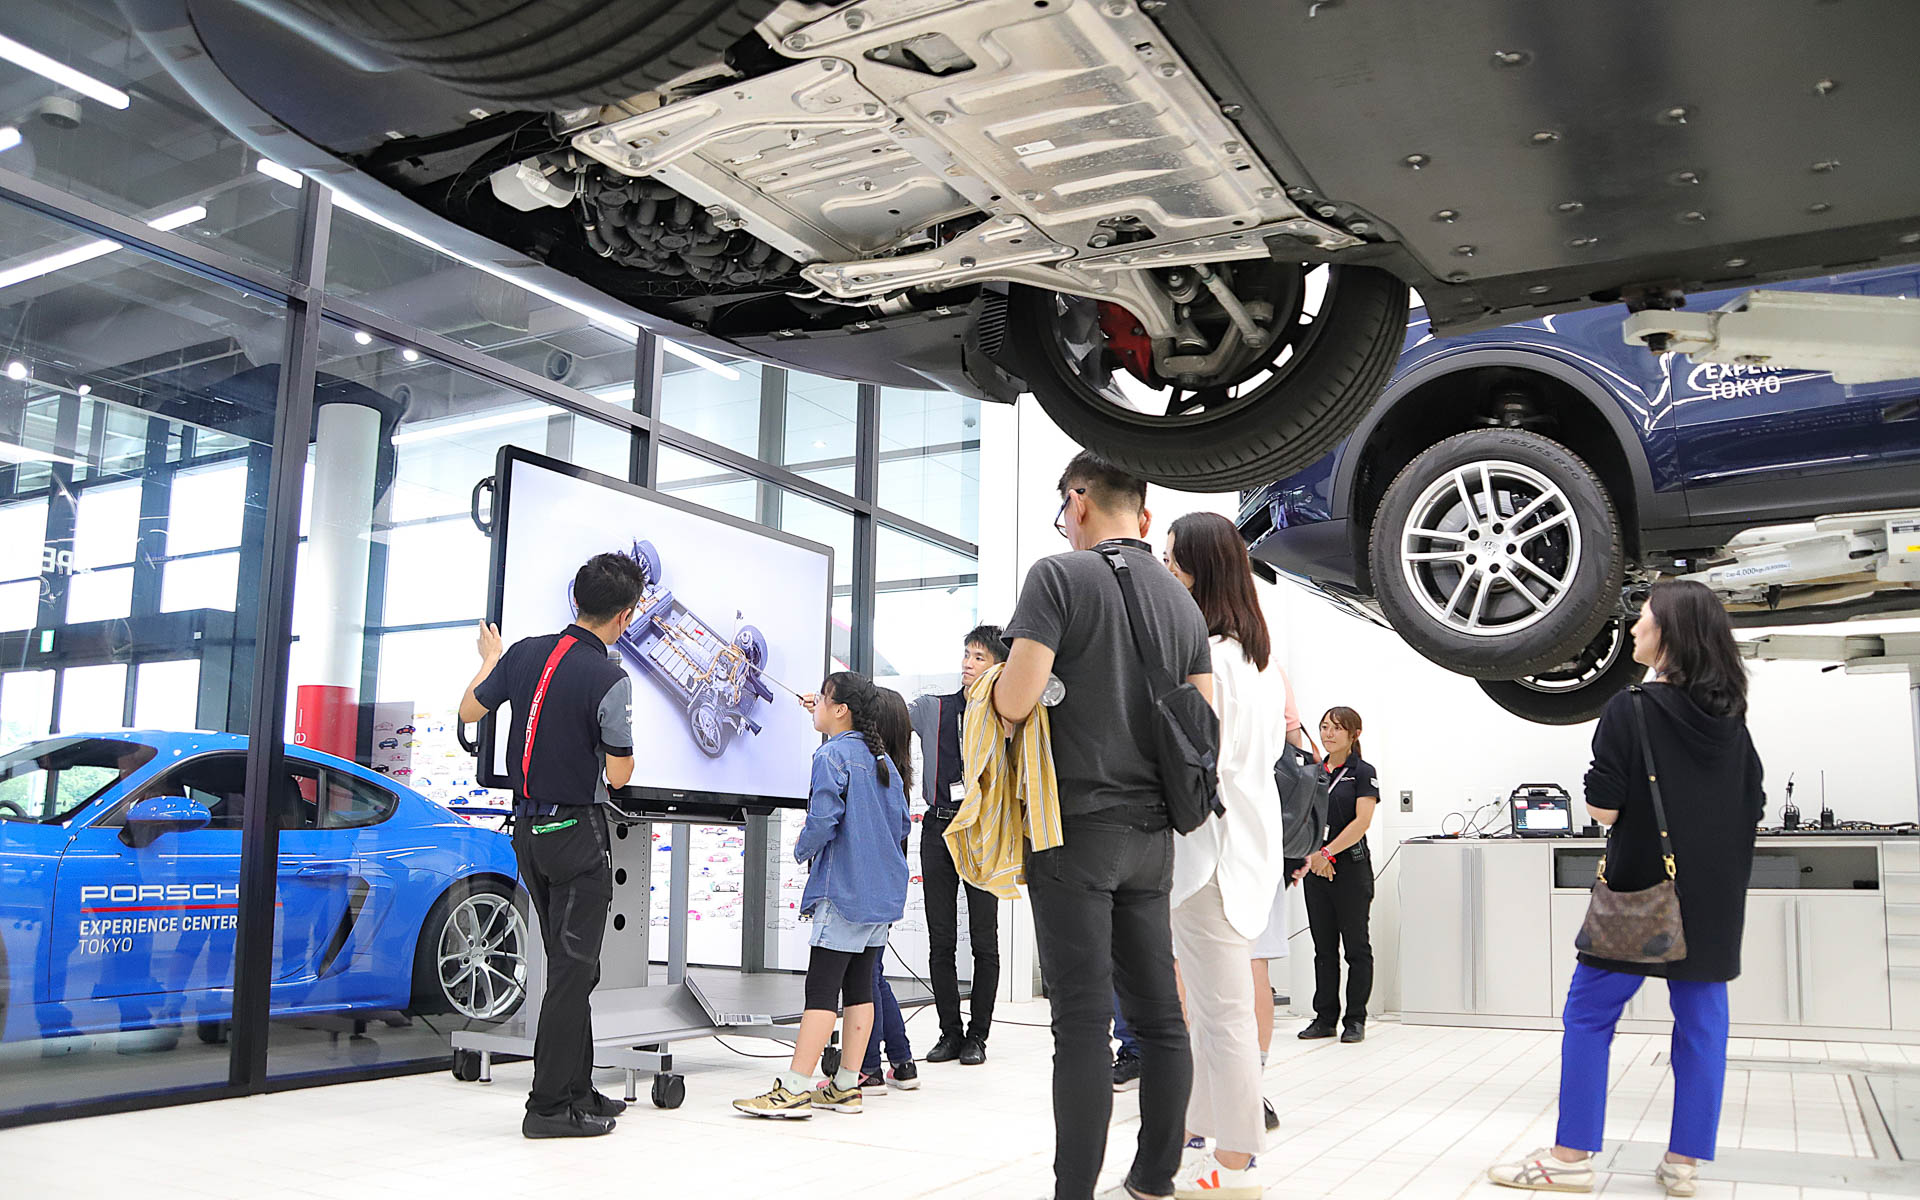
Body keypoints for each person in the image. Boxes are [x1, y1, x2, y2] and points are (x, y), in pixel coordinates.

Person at [1490, 581, 1764, 1197]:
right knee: (1701, 1025)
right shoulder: (1731, 717)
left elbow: (1604, 807)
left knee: (1588, 1015)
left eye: (1642, 619)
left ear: (1667, 633)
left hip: (1642, 891)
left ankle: (1569, 1157)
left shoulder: (1631, 707)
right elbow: (1753, 801)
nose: (1635, 629)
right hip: (1716, 899)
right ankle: (1684, 1164)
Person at [995, 451, 1210, 1200]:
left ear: (1079, 502)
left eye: (1064, 509)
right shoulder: (1184, 603)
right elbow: (1202, 718)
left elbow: (1016, 701)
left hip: (1075, 829)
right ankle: (1154, 1178)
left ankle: (1073, 1193)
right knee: (1160, 1018)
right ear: (1142, 514)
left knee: (1082, 1023)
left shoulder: (1059, 576)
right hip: (1154, 839)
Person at [459, 552, 646, 1139]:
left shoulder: (522, 653)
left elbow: (469, 709)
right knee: (572, 972)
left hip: (528, 836)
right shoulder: (610, 678)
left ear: (575, 599)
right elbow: (619, 775)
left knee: (573, 969)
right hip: (577, 836)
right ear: (624, 615)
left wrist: (490, 659)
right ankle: (546, 1109)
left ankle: (578, 1089)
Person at [1160, 512, 1291, 1199]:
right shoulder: (1258, 658)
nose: (1169, 576)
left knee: (1222, 1014)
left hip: (1211, 853)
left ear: (1202, 574)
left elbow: (1198, 759)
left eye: (1175, 565)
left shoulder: (1211, 657)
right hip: (1243, 844)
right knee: (1217, 1009)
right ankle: (1210, 1136)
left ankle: (1237, 1162)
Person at [734, 672, 910, 1119]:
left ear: (840, 710)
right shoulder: (881, 759)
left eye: (823, 699)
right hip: (881, 894)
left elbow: (824, 819)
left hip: (844, 889)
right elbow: (902, 824)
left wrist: (800, 849)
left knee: (821, 989)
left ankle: (794, 1088)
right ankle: (847, 1086)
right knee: (859, 986)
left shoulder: (831, 754)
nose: (814, 704)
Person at [911, 623, 1008, 1066]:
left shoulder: (1009, 714)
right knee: (941, 940)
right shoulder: (935, 709)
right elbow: (886, 709)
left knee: (985, 942)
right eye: (966, 655)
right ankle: (949, 1033)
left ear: (999, 666)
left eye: (979, 657)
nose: (968, 663)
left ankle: (979, 1037)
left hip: (984, 833)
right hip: (938, 830)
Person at [1298, 706, 1378, 1044]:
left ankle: (1355, 1019)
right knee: (1323, 948)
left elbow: (1361, 822)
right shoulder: (1312, 771)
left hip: (1351, 869)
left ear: (1354, 734)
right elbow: (1298, 819)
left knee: (1356, 948)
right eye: (1324, 727)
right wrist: (1313, 856)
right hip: (1315, 867)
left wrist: (1329, 853)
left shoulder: (1362, 771)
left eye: (1337, 728)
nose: (1328, 734)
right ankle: (1324, 1017)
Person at [860, 687, 920, 1093]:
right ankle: (901, 1060)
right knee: (874, 974)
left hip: (866, 890)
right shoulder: (895, 773)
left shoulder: (873, 772)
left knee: (865, 979)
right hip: (885, 888)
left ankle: (868, 1068)